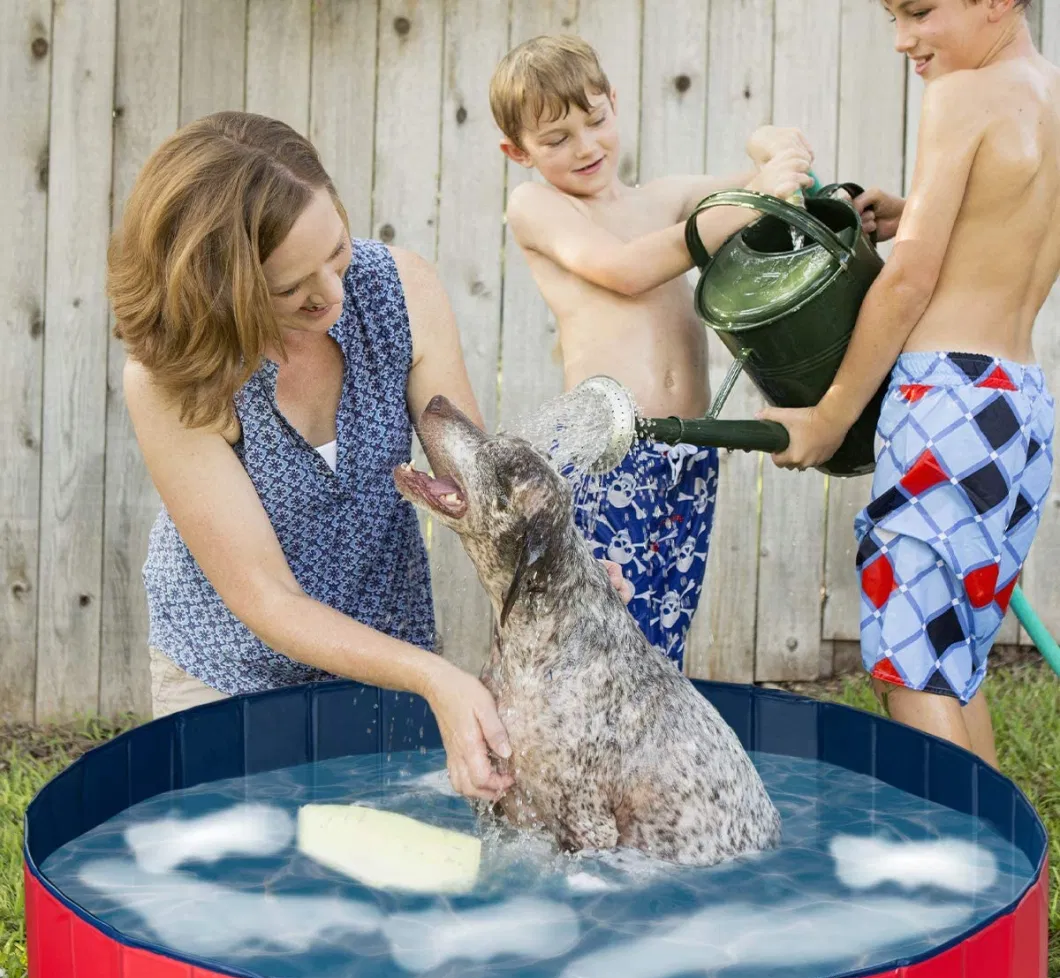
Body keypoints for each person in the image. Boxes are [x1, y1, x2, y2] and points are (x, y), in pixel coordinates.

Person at [108, 111, 629, 800]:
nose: (332, 294)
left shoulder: (399, 290)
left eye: (336, 251)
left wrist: (558, 567)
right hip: (228, 672)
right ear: (220, 290)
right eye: (292, 287)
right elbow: (266, 596)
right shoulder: (170, 375)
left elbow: (475, 486)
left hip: (385, 657)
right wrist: (434, 676)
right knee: (245, 888)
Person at [759, 0, 1057, 767]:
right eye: (892, 16)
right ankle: (1010, 886)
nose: (903, 40)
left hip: (945, 403)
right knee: (951, 660)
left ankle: (955, 883)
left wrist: (828, 418)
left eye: (920, 11)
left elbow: (907, 284)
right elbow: (1007, 219)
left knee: (909, 667)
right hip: (1016, 408)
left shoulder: (961, 96)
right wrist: (912, 209)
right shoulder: (1046, 94)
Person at [489, 34, 815, 667]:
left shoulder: (661, 199)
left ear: (615, 101)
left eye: (596, 120)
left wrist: (776, 150)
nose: (585, 147)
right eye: (555, 140)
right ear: (516, 151)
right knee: (604, 637)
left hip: (690, 445)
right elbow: (625, 269)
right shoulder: (537, 205)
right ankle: (568, 757)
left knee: (663, 635)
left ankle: (643, 761)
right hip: (609, 454)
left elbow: (754, 178)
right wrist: (755, 198)